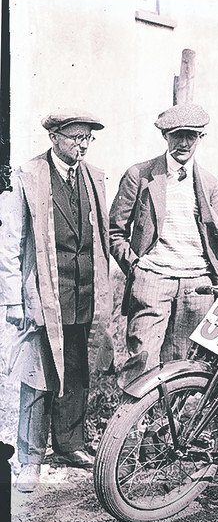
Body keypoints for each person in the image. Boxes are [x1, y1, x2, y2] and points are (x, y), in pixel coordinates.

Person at [0, 111, 112, 491]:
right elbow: (11, 242)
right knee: (37, 376)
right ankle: (29, 458)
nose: (81, 145)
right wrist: (13, 301)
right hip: (43, 295)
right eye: (75, 137)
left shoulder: (94, 176)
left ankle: (70, 445)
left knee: (77, 371)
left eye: (87, 138)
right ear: (53, 136)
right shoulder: (28, 177)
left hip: (83, 294)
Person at [110, 103, 218, 389]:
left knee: (180, 368)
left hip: (197, 287)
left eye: (190, 136)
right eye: (177, 135)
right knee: (142, 362)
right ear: (165, 136)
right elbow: (114, 231)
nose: (183, 143)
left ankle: (166, 432)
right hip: (153, 281)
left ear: (200, 137)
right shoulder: (140, 175)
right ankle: (131, 432)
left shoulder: (209, 183)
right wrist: (136, 268)